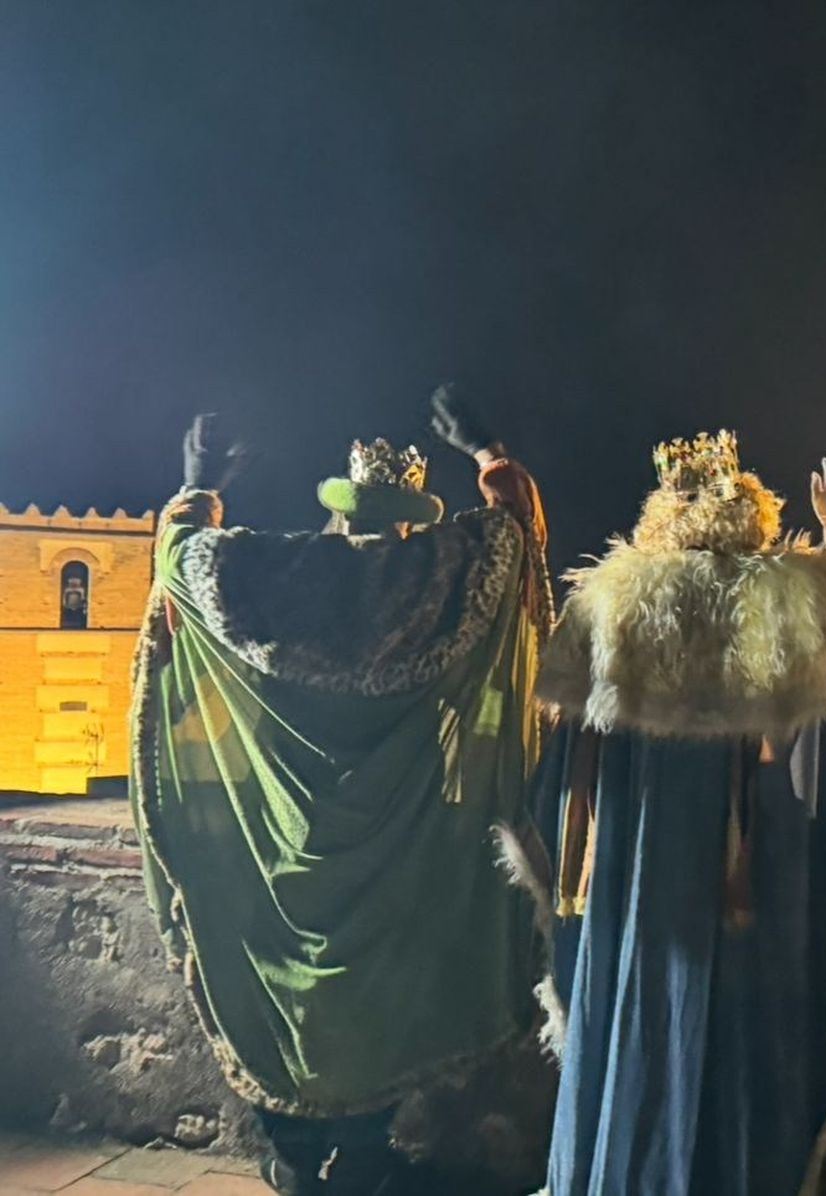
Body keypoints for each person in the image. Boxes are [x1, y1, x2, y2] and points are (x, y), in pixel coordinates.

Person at [129, 389, 554, 1194]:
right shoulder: (439, 580)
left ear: (340, 510)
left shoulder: (281, 578)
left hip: (282, 841)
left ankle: (295, 1154)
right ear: (410, 519)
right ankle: (363, 1154)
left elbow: (182, 557)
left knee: (291, 991)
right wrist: (489, 452)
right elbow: (514, 534)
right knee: (379, 1003)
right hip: (404, 848)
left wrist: (200, 485)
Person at [507, 433, 826, 1196]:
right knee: (746, 1073)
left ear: (660, 515)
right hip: (760, 908)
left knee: (641, 1055)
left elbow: (558, 797)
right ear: (752, 515)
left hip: (641, 915)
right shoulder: (799, 606)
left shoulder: (608, 611)